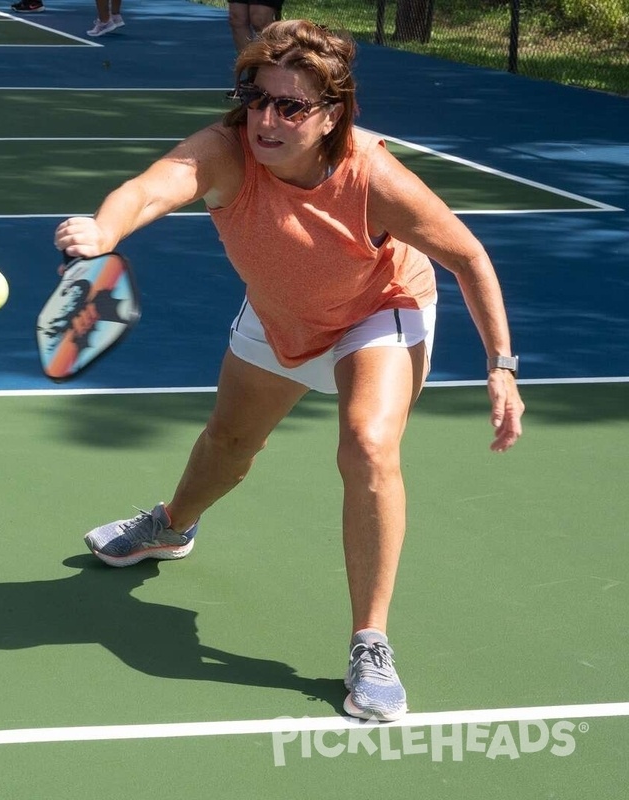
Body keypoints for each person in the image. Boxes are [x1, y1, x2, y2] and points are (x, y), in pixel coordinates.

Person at [52, 20, 524, 722]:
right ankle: (173, 526)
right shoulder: (226, 151)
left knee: (368, 445)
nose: (266, 119)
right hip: (281, 312)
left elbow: (469, 258)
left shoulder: (374, 176)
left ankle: (371, 642)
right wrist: (104, 229)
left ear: (332, 114)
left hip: (379, 308)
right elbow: (152, 189)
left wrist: (502, 366)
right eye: (255, 98)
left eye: (290, 106)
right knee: (228, 446)